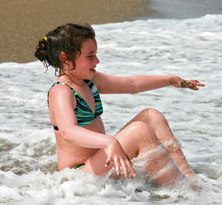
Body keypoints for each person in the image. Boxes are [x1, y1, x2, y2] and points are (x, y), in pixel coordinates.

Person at [34, 23, 205, 186]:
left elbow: (131, 84)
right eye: (90, 56)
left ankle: (188, 180)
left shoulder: (90, 80)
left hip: (102, 162)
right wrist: (108, 142)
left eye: (96, 54)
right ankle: (181, 192)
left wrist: (170, 80)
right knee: (139, 131)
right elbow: (68, 131)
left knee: (151, 116)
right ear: (65, 58)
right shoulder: (61, 91)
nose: (97, 61)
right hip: (79, 176)